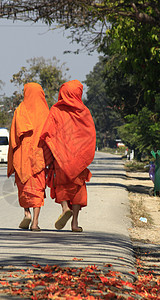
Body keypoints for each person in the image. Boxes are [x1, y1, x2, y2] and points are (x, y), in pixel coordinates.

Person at [40, 79, 96, 232]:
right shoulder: (84, 112)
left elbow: (47, 132)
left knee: (61, 184)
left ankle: (65, 208)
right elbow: (90, 135)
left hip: (61, 156)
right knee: (78, 188)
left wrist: (51, 150)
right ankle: (75, 223)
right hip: (78, 158)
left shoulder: (56, 110)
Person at [7, 82, 50, 231]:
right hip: (39, 155)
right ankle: (35, 223)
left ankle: (26, 213)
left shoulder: (20, 111)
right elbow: (50, 136)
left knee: (24, 187)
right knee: (37, 189)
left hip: (22, 155)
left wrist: (14, 155)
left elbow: (13, 137)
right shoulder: (46, 112)